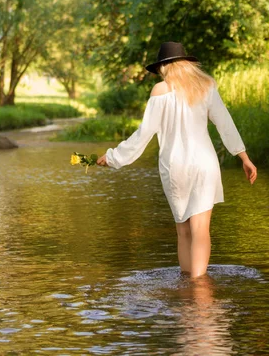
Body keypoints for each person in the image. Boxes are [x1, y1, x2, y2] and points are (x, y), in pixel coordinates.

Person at [96, 41, 257, 278]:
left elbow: (143, 135)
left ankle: (186, 287)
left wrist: (112, 157)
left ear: (163, 67)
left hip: (175, 166)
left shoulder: (160, 91)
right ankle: (199, 287)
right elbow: (225, 124)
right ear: (186, 63)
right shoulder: (206, 86)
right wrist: (244, 157)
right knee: (201, 229)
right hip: (204, 163)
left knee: (183, 232)